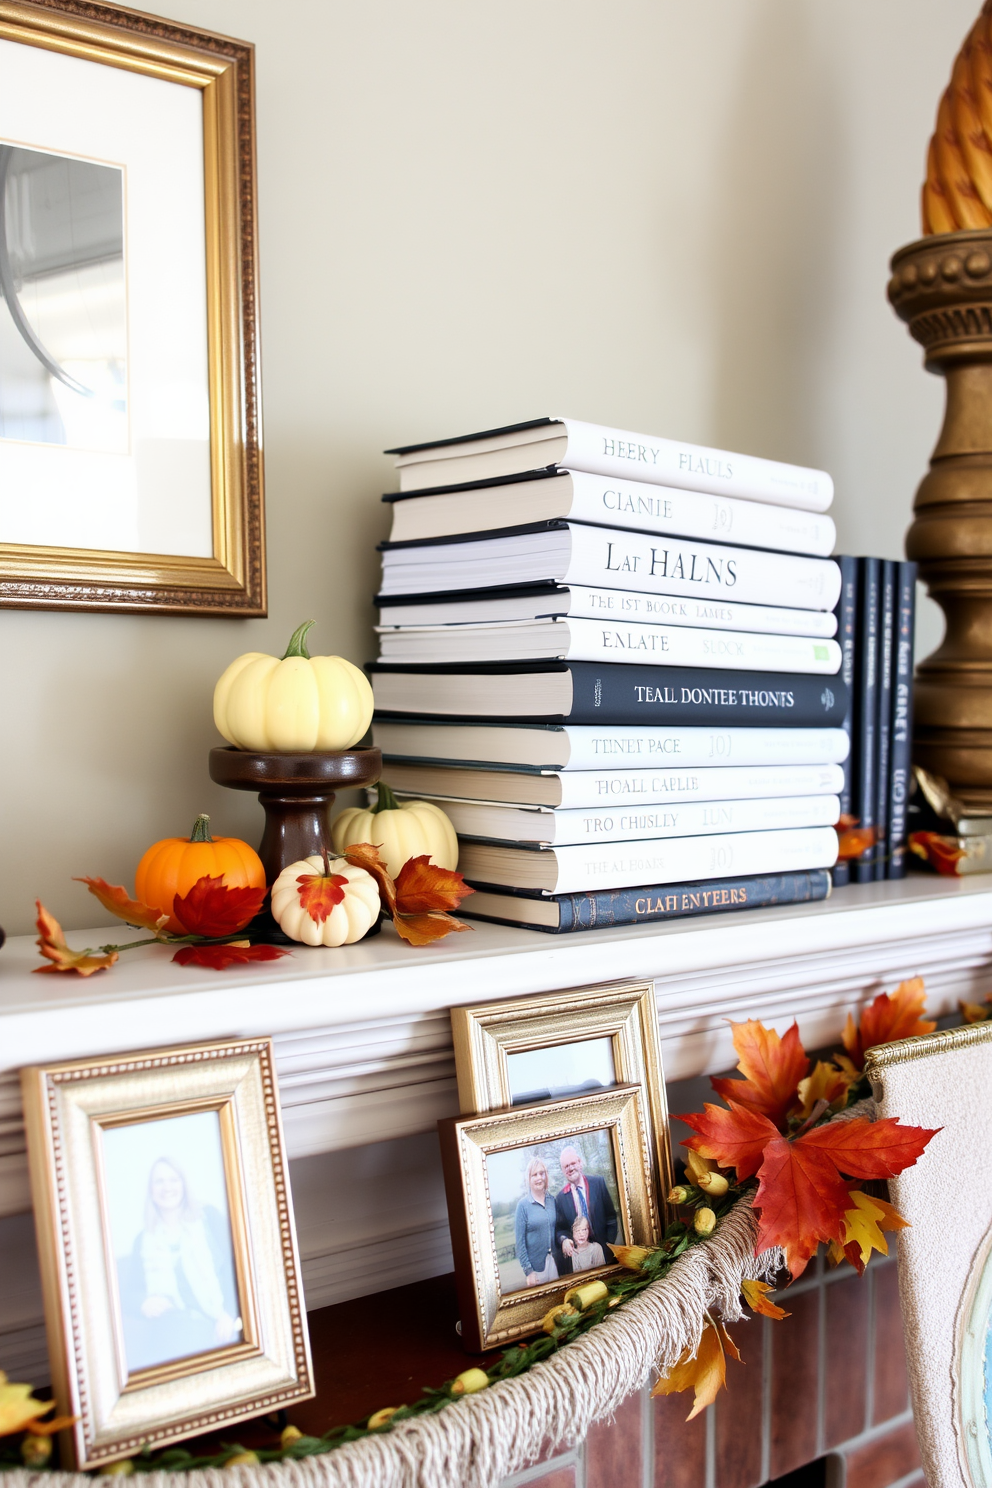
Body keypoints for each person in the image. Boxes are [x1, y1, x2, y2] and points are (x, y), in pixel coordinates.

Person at [117, 1156, 241, 1373]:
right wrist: (142, 1303)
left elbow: (236, 1267)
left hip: (218, 1322)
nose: (167, 1187)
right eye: (159, 1181)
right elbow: (129, 1295)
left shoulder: (209, 1218)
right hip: (171, 1329)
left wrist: (229, 1313)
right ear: (151, 1190)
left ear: (183, 1184)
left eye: (173, 1180)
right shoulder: (143, 1239)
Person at [554, 1145, 618, 1269]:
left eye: (573, 1163)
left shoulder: (598, 1183)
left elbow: (611, 1217)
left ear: (580, 1163)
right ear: (563, 1170)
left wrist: (608, 1245)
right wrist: (564, 1240)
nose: (570, 1168)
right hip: (580, 1258)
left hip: (604, 1251)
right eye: (566, 1166)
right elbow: (560, 1229)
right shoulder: (561, 1198)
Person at [513, 1156, 559, 1287]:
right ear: (529, 1179)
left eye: (541, 1173)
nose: (539, 1178)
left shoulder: (552, 1200)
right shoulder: (522, 1206)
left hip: (554, 1263)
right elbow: (520, 1243)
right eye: (534, 1175)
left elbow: (557, 1229)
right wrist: (529, 1272)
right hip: (536, 1269)